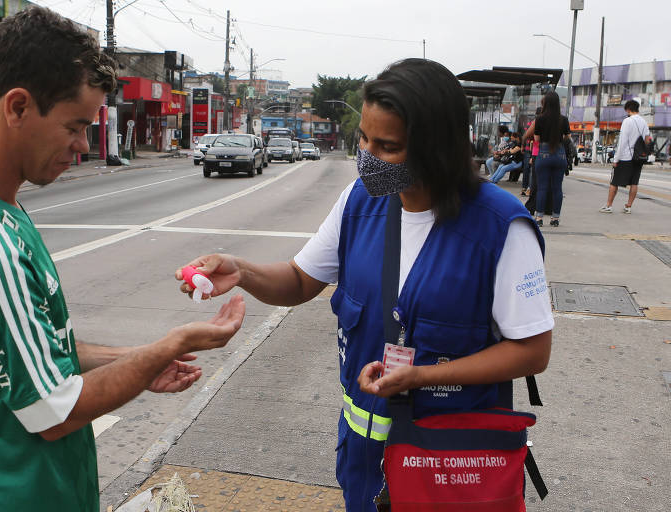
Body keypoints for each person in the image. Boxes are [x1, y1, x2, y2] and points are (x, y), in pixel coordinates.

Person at [0, 7, 245, 511]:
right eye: (74, 126)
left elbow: (42, 350)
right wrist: (174, 341)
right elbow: (53, 412)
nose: (83, 146)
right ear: (17, 107)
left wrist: (140, 361)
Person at [176, 59, 553, 511]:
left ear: (437, 147)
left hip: (452, 467)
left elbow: (532, 351)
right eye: (364, 139)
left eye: (387, 146)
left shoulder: (500, 229)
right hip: (366, 463)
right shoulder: (360, 203)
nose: (367, 156)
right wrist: (241, 270)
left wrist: (423, 377)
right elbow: (299, 280)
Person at [599, 99, 651, 214]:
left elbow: (622, 142)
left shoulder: (627, 121)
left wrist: (616, 159)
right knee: (634, 183)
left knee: (614, 182)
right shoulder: (644, 122)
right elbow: (647, 140)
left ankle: (609, 205)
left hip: (626, 157)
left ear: (628, 109)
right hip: (638, 158)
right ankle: (628, 206)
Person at [533, 91, 571, 227]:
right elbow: (568, 137)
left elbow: (536, 139)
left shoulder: (540, 119)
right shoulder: (564, 119)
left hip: (543, 154)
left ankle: (539, 218)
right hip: (559, 155)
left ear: (545, 103)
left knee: (542, 188)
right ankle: (555, 218)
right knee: (557, 188)